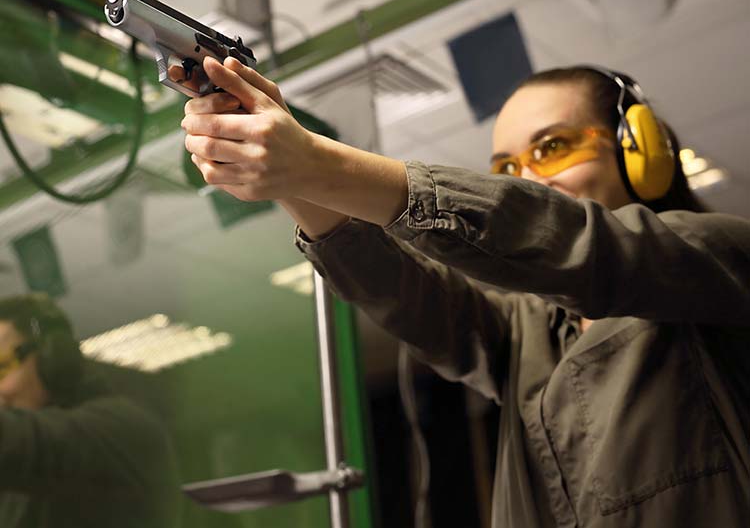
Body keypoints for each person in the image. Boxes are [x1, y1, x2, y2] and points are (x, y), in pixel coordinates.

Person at [179, 56, 750, 528]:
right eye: (507, 165)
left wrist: (317, 160)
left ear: (639, 148)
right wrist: (295, 178)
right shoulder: (528, 330)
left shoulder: (720, 256)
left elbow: (571, 241)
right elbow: (407, 294)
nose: (527, 179)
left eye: (552, 147)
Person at [0, 293, 182, 528]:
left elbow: (23, 442)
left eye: (2, 367)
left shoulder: (122, 430)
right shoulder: (25, 480)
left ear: (52, 358)